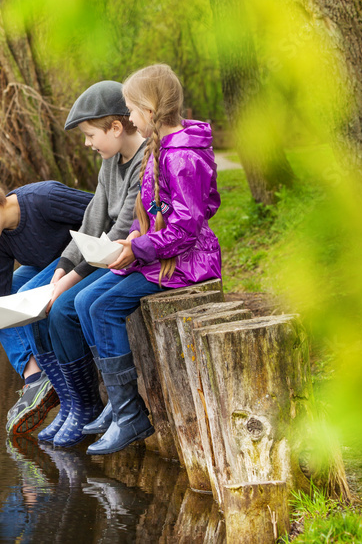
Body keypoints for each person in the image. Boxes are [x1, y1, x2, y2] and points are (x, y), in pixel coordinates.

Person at [76, 63, 222, 455]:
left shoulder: (181, 157)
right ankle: (119, 405)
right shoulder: (161, 149)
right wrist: (138, 236)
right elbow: (162, 211)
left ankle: (130, 416)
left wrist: (139, 248)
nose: (128, 117)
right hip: (159, 254)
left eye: (131, 109)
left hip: (187, 263)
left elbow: (189, 225)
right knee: (84, 301)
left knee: (104, 307)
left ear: (150, 111)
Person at [38, 80, 147, 448]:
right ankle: (85, 404)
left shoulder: (146, 163)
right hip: (109, 254)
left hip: (126, 254)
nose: (87, 143)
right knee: (56, 303)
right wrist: (61, 267)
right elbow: (92, 222)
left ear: (116, 127)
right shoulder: (109, 163)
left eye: (89, 134)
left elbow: (119, 232)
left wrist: (65, 284)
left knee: (67, 306)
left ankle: (105, 406)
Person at [0, 175, 92, 435]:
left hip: (83, 260)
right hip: (48, 267)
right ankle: (37, 378)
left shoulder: (44, 198)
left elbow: (102, 212)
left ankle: (66, 391)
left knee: (27, 291)